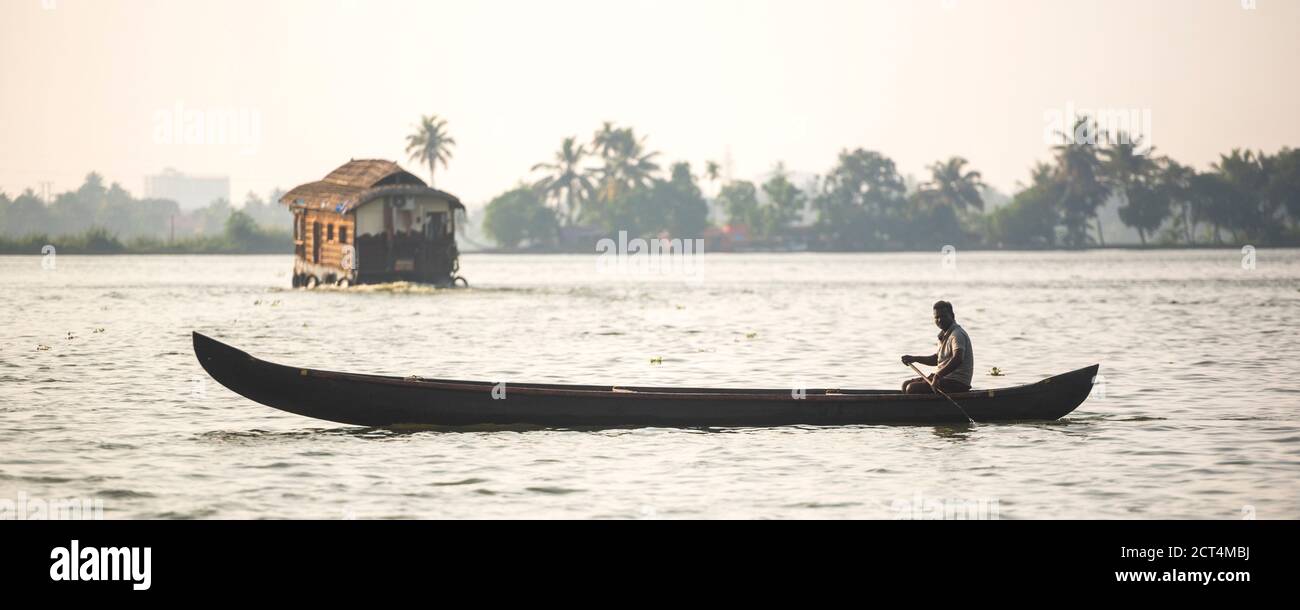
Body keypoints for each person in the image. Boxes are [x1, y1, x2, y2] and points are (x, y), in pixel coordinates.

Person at [900, 301, 973, 394]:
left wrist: (937, 376)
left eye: (943, 316)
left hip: (957, 383)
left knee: (911, 388)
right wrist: (914, 359)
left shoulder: (957, 334)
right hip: (944, 379)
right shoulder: (943, 335)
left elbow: (958, 358)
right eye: (937, 317)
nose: (940, 320)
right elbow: (936, 359)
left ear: (952, 316)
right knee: (905, 384)